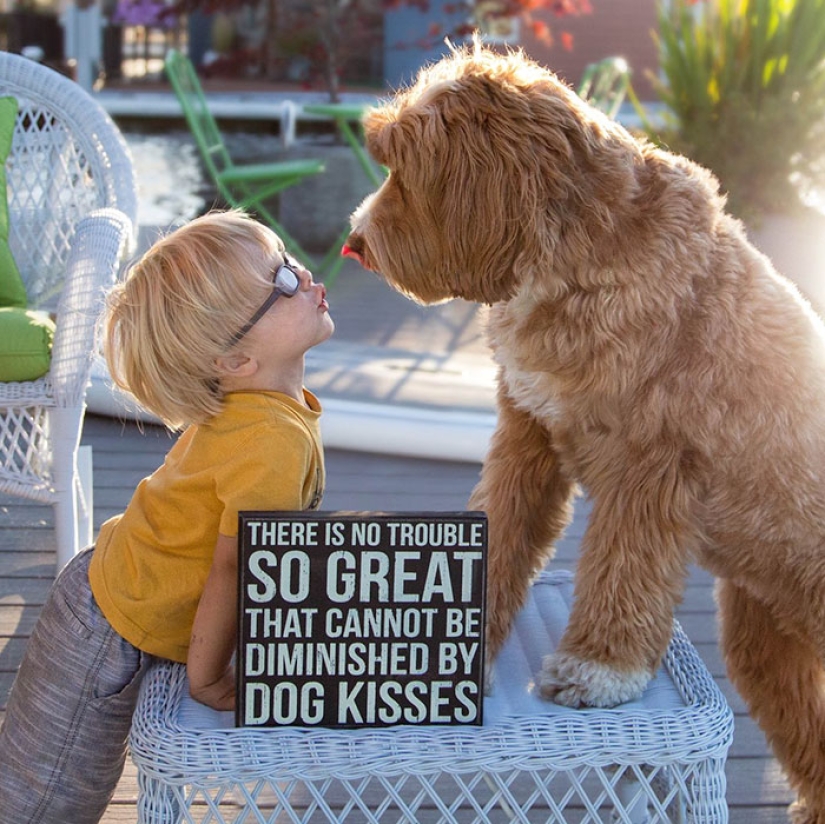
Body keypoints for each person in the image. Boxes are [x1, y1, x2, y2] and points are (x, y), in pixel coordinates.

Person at [0, 209, 334, 824]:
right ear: (235, 362)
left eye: (288, 259)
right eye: (281, 282)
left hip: (109, 591)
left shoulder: (264, 410)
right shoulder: (270, 440)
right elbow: (235, 569)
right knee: (44, 801)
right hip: (108, 627)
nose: (303, 275)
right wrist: (208, 679)